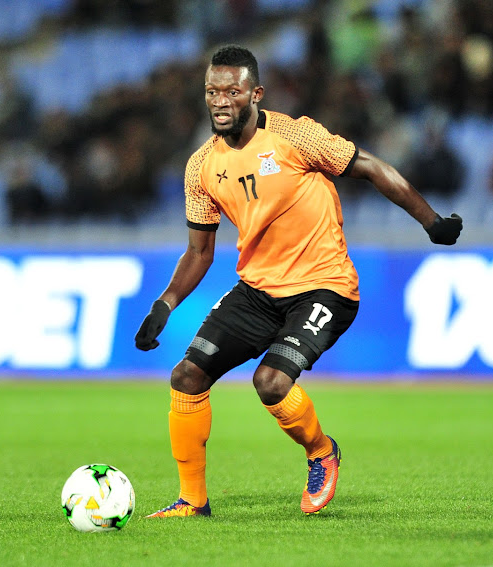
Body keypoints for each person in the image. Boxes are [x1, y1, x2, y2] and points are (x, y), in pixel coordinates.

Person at [134, 45, 463, 518]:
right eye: (211, 91)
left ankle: (321, 450)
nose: (219, 100)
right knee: (186, 376)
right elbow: (200, 251)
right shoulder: (201, 167)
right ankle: (193, 500)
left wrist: (431, 222)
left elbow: (370, 167)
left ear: (256, 94)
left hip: (324, 286)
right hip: (258, 290)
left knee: (269, 381)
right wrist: (165, 304)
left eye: (232, 90)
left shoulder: (295, 136)